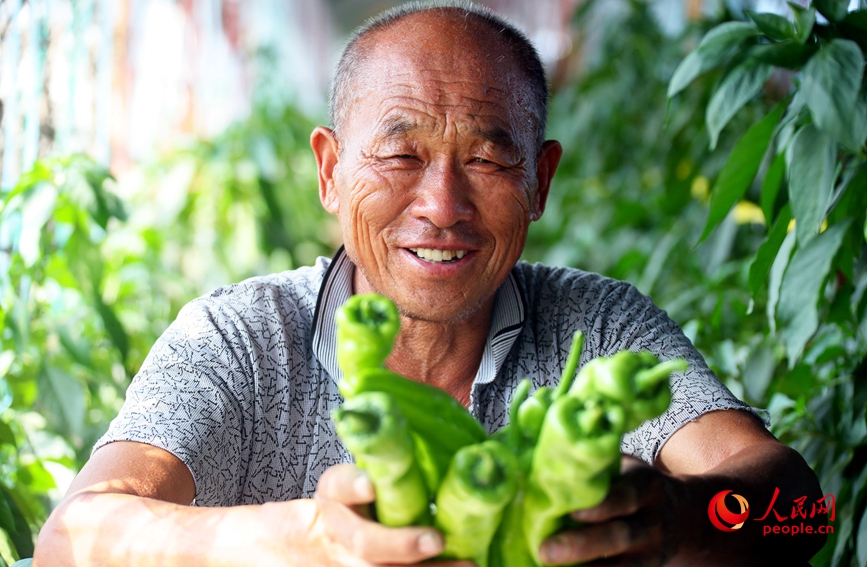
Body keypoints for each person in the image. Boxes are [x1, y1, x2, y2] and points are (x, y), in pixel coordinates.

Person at [33, 2, 826, 566]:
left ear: (540, 180)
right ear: (331, 170)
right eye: (400, 155)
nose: (442, 207)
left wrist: (677, 519)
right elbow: (71, 542)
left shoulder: (598, 328)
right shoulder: (239, 341)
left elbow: (804, 514)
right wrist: (312, 538)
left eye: (485, 158)